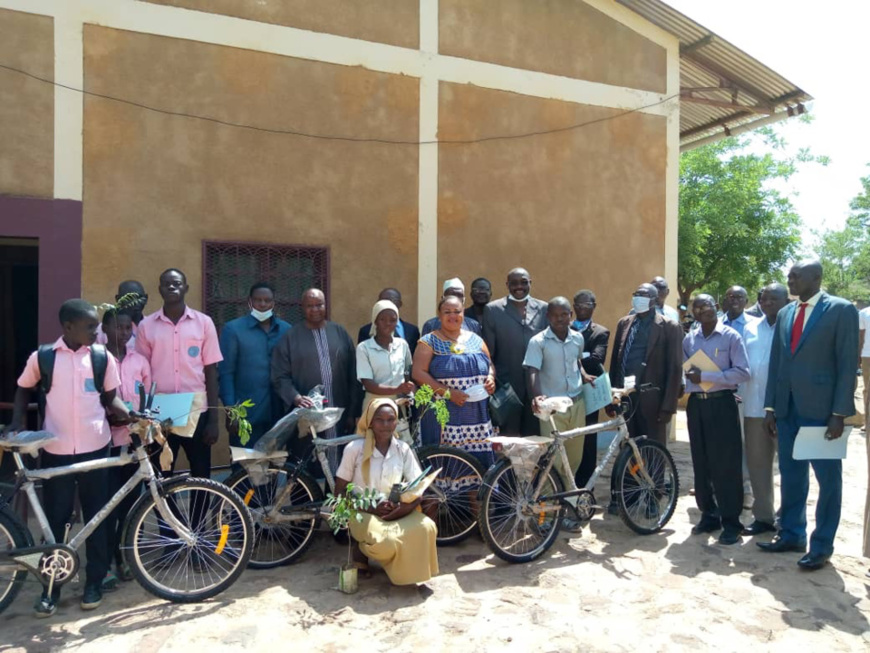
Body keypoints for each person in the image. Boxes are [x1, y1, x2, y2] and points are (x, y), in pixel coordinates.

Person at [5, 299, 129, 616]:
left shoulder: (102, 358)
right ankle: (51, 588)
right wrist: (18, 421)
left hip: (96, 449)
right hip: (55, 452)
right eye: (90, 327)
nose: (96, 331)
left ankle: (94, 583)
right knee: (55, 521)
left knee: (97, 519)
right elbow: (23, 388)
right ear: (68, 327)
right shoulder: (44, 357)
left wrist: (134, 415)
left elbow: (112, 400)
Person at [759, 260, 859, 570]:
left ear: (816, 278)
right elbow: (778, 363)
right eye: (788, 275)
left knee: (828, 482)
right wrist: (771, 407)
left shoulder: (841, 310)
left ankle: (822, 545)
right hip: (787, 411)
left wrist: (839, 413)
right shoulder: (787, 312)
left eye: (795, 276)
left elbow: (846, 365)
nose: (789, 280)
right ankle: (791, 533)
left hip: (822, 414)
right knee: (791, 476)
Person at [334, 399, 438, 585]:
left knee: (427, 527)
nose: (385, 425)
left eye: (391, 419)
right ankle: (361, 552)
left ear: (397, 422)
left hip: (395, 511)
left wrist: (402, 509)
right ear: (370, 422)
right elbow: (340, 492)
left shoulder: (403, 449)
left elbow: (418, 488)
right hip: (362, 512)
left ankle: (409, 571)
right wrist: (372, 508)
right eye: (379, 419)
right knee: (385, 543)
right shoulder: (354, 450)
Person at [136, 269, 223, 479]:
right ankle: (168, 513)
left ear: (186, 288)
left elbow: (211, 371)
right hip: (160, 411)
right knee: (162, 472)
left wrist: (213, 420)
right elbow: (140, 373)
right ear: (160, 289)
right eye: (167, 284)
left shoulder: (203, 323)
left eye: (177, 283)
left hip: (196, 410)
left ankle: (200, 514)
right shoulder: (146, 326)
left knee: (201, 472)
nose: (172, 287)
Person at [683, 294, 750, 545]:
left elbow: (743, 372)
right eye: (698, 307)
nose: (703, 310)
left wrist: (707, 375)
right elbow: (687, 371)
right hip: (696, 406)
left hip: (722, 403)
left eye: (708, 305)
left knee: (726, 464)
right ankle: (709, 514)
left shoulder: (731, 336)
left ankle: (731, 522)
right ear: (694, 313)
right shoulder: (689, 338)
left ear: (716, 307)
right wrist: (688, 378)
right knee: (701, 462)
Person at [524, 297, 593, 532]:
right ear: (548, 317)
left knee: (572, 462)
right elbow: (532, 370)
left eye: (565, 314)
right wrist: (536, 396)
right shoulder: (538, 341)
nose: (560, 319)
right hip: (553, 409)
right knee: (551, 464)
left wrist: (584, 376)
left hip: (577, 405)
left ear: (571, 315)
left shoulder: (578, 338)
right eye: (555, 315)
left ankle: (561, 512)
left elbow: (577, 363)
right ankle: (545, 518)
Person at [271, 288, 359, 471]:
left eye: (319, 304)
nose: (315, 309)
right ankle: (304, 499)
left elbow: (353, 374)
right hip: (306, 415)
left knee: (338, 462)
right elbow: (280, 376)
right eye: (310, 306)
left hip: (338, 412)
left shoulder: (339, 333)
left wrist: (352, 412)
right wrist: (295, 397)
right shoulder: (290, 337)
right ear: (302, 308)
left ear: (325, 305)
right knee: (302, 463)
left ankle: (334, 498)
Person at [412, 295, 496, 467]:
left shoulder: (476, 339)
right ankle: (441, 495)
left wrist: (491, 377)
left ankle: (476, 494)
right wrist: (448, 393)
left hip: (476, 414)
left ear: (463, 312)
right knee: (445, 460)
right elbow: (418, 373)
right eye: (447, 312)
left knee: (477, 461)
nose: (453, 315)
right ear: (439, 315)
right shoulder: (429, 342)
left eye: (457, 311)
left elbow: (490, 364)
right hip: (444, 413)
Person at [101, 308, 152, 588]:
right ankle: (105, 562)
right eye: (117, 327)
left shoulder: (140, 362)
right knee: (106, 505)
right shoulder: (97, 359)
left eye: (126, 328)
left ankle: (126, 557)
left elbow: (146, 398)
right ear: (105, 330)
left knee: (132, 506)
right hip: (105, 444)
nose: (122, 332)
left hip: (134, 443)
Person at [740, 284, 789, 536]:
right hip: (753, 407)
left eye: (774, 298)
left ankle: (789, 519)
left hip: (785, 411)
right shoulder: (750, 328)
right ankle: (764, 518)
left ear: (786, 300)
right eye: (764, 298)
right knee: (758, 466)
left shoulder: (793, 328)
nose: (767, 302)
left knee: (790, 468)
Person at [609, 284, 683, 447]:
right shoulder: (624, 323)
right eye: (636, 294)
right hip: (625, 398)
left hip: (652, 401)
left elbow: (675, 369)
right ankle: (628, 474)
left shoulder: (669, 327)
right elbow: (616, 361)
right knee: (628, 449)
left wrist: (668, 407)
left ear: (654, 300)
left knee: (652, 449)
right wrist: (611, 398)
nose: (638, 298)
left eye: (643, 295)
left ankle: (652, 474)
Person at [218, 282, 291, 448]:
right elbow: (226, 373)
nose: (263, 304)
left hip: (278, 414)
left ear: (274, 303)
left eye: (267, 300)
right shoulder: (233, 330)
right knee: (243, 468)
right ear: (250, 302)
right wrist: (231, 411)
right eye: (258, 300)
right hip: (246, 414)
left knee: (274, 467)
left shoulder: (286, 330)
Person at [482, 268, 548, 435]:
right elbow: (488, 353)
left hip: (537, 387)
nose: (519, 286)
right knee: (509, 441)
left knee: (535, 439)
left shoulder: (544, 309)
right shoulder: (493, 310)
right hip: (507, 388)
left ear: (530, 283)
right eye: (514, 283)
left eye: (524, 282)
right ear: (507, 285)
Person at [571, 290, 610, 489]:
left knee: (588, 439)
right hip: (567, 391)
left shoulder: (600, 332)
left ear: (594, 306)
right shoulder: (564, 327)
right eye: (577, 304)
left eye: (585, 304)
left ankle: (586, 486)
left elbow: (597, 359)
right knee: (569, 438)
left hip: (589, 391)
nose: (580, 308)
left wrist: (572, 356)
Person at [721, 284, 753, 505]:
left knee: (743, 440)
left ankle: (746, 489)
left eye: (739, 296)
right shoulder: (714, 322)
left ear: (746, 301)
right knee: (719, 439)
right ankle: (718, 485)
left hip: (743, 390)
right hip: (717, 390)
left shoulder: (753, 326)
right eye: (730, 296)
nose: (734, 299)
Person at [356, 299, 414, 413]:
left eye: (392, 320)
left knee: (400, 431)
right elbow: (368, 384)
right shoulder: (364, 348)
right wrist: (397, 389)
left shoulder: (402, 345)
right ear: (375, 321)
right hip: (374, 406)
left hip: (399, 405)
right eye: (383, 319)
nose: (388, 323)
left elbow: (408, 371)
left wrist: (409, 390)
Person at [357, 288, 420, 356]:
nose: (387, 304)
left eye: (391, 300)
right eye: (383, 300)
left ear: (400, 304)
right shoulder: (366, 331)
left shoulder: (412, 331)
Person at [95, 280, 149, 349]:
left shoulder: (152, 325)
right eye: (129, 298)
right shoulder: (104, 329)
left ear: (146, 299)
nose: (135, 302)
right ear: (118, 299)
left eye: (139, 297)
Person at [859, 299, 870, 418]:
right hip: (868, 356)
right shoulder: (864, 313)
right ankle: (868, 420)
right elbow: (860, 337)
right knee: (868, 389)